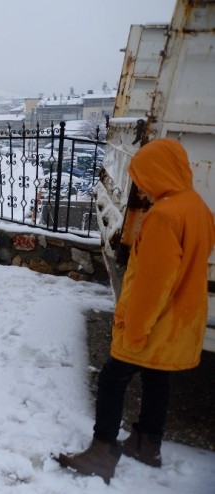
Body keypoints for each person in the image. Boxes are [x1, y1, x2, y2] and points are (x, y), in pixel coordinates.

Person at [57, 138, 215, 484]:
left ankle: (102, 451)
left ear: (159, 172)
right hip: (179, 319)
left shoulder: (163, 216)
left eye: (142, 175)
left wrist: (135, 328)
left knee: (114, 378)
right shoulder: (197, 207)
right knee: (158, 375)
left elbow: (151, 284)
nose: (139, 184)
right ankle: (147, 443)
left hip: (154, 320)